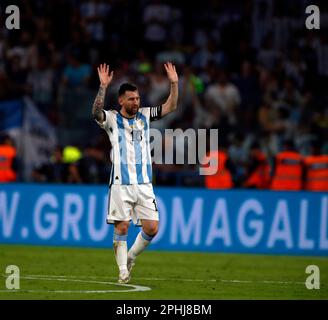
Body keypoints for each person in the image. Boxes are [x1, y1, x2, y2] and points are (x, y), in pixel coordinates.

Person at [92, 62, 178, 283]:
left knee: (152, 227)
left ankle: (130, 256)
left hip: (144, 183)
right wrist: (103, 87)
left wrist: (174, 83)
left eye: (138, 98)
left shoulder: (145, 115)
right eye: (131, 99)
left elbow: (169, 107)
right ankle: (122, 271)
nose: (136, 102)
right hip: (121, 183)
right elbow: (95, 113)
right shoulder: (111, 118)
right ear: (121, 100)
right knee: (122, 226)